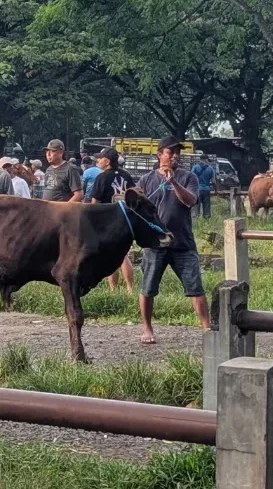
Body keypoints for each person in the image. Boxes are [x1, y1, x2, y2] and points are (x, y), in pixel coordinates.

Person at [137, 137, 211, 344]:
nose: (175, 155)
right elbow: (136, 208)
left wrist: (174, 182)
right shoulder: (146, 180)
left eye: (178, 152)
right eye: (170, 152)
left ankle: (206, 329)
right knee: (148, 287)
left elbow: (190, 201)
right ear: (159, 155)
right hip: (155, 244)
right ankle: (147, 328)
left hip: (183, 243)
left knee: (195, 287)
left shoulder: (189, 178)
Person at [90, 148, 136, 293]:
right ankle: (130, 288)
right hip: (125, 218)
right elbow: (134, 195)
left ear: (107, 161)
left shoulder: (102, 177)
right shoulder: (126, 175)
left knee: (110, 255)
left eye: (100, 158)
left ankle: (113, 289)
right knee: (124, 254)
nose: (98, 160)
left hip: (107, 219)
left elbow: (94, 202)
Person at [191, 154, 216, 219]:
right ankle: (207, 222)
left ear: (200, 159)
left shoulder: (195, 167)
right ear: (206, 160)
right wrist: (216, 190)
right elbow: (213, 181)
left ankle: (196, 222)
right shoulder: (210, 168)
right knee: (207, 208)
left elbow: (191, 178)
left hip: (197, 191)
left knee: (196, 208)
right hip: (206, 190)